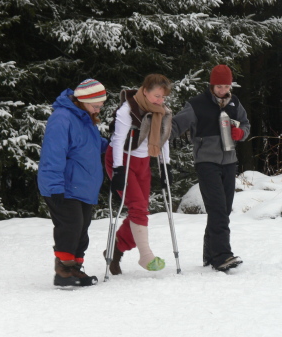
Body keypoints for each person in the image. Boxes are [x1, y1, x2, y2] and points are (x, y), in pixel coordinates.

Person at [170, 65, 250, 272]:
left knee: (222, 210)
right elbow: (176, 126)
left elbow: (246, 124)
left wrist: (240, 134)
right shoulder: (197, 104)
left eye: (226, 85)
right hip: (206, 162)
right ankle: (222, 256)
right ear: (211, 85)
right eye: (219, 86)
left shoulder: (235, 103)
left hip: (229, 162)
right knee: (217, 210)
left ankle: (209, 255)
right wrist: (158, 133)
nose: (223, 90)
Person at [38, 79, 109, 287]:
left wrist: (114, 144)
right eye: (96, 103)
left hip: (83, 185)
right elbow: (53, 153)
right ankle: (64, 271)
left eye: (101, 103)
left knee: (82, 228)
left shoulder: (85, 118)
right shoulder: (62, 118)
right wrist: (54, 187)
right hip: (64, 186)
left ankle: (75, 268)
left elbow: (93, 144)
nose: (100, 107)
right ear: (83, 100)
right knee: (71, 226)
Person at [105, 74, 173, 275]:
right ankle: (146, 255)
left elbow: (164, 139)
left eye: (163, 97)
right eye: (156, 96)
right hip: (121, 159)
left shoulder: (162, 112)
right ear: (145, 91)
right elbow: (118, 141)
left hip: (143, 161)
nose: (160, 101)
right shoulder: (128, 110)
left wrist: (165, 167)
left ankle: (115, 250)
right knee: (137, 207)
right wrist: (118, 169)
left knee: (141, 209)